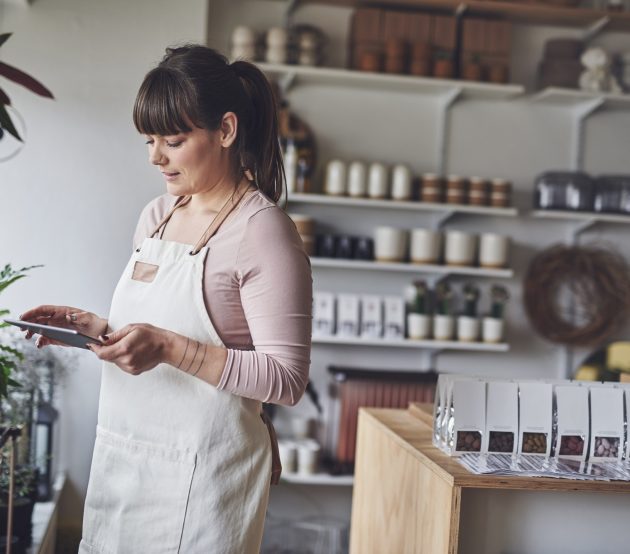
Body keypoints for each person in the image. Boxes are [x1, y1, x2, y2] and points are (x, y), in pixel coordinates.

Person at [20, 44, 312, 553]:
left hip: (205, 484)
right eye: (149, 140)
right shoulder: (158, 215)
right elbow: (157, 335)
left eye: (173, 140)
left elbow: (285, 380)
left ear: (225, 130)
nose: (155, 156)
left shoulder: (262, 231)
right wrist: (97, 330)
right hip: (124, 466)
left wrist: (169, 348)